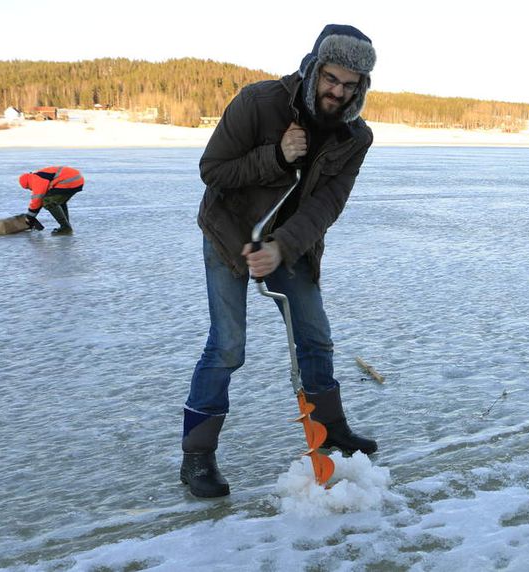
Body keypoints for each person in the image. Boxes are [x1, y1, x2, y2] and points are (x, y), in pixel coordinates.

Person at [180, 24, 378, 498]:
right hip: (229, 234)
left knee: (315, 335)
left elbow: (325, 205)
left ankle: (330, 430)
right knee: (228, 346)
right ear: (313, 68)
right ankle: (197, 457)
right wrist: (275, 156)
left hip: (290, 244)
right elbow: (213, 171)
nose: (339, 92)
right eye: (332, 79)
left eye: (351, 85)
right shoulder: (259, 103)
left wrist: (281, 248)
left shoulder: (356, 136)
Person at [20, 166, 85, 234]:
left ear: (27, 183)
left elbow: (37, 200)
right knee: (58, 201)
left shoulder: (36, 180)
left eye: (28, 188)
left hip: (69, 181)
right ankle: (66, 226)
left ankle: (65, 228)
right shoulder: (38, 175)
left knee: (48, 202)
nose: (30, 189)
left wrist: (29, 217)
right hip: (76, 179)